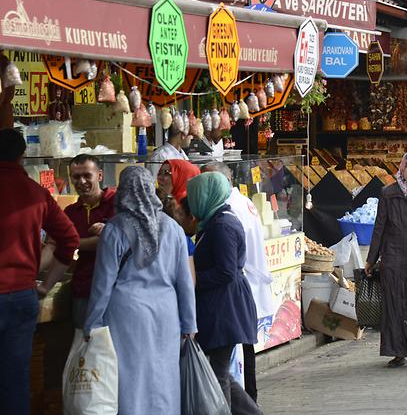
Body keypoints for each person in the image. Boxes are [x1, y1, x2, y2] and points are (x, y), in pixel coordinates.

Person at [83, 166, 196, 415]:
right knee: (163, 378)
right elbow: (184, 282)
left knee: (130, 379)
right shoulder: (174, 229)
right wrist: (189, 324)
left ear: (124, 190)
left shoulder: (115, 229)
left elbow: (103, 284)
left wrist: (92, 325)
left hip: (127, 315)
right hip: (166, 315)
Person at [0, 129, 79, 415]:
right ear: (22, 156)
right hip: (22, 296)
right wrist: (47, 283)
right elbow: (69, 239)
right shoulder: (36, 193)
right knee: (15, 379)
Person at [186, 172, 261, 414]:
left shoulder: (222, 225)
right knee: (221, 372)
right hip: (223, 307)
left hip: (225, 309)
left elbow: (226, 272)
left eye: (194, 194)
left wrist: (193, 279)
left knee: (218, 374)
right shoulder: (215, 220)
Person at [203, 162, 274, 400]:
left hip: (236, 289)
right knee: (234, 363)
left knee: (228, 366)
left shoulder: (227, 212)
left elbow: (227, 266)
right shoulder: (241, 203)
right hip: (244, 284)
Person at [365, 152, 407, 367]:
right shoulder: (388, 192)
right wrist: (371, 258)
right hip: (392, 254)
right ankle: (398, 351)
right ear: (402, 167)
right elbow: (380, 227)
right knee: (394, 303)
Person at [65, 154, 116, 329]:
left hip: (114, 291)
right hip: (83, 288)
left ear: (100, 175)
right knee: (84, 345)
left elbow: (109, 243)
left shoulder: (117, 203)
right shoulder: (70, 211)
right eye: (76, 177)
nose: (82, 181)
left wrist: (73, 242)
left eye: (87, 175)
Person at [159, 159, 202, 255]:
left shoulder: (190, 204)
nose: (160, 178)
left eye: (167, 173)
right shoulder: (163, 202)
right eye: (159, 173)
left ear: (182, 175)